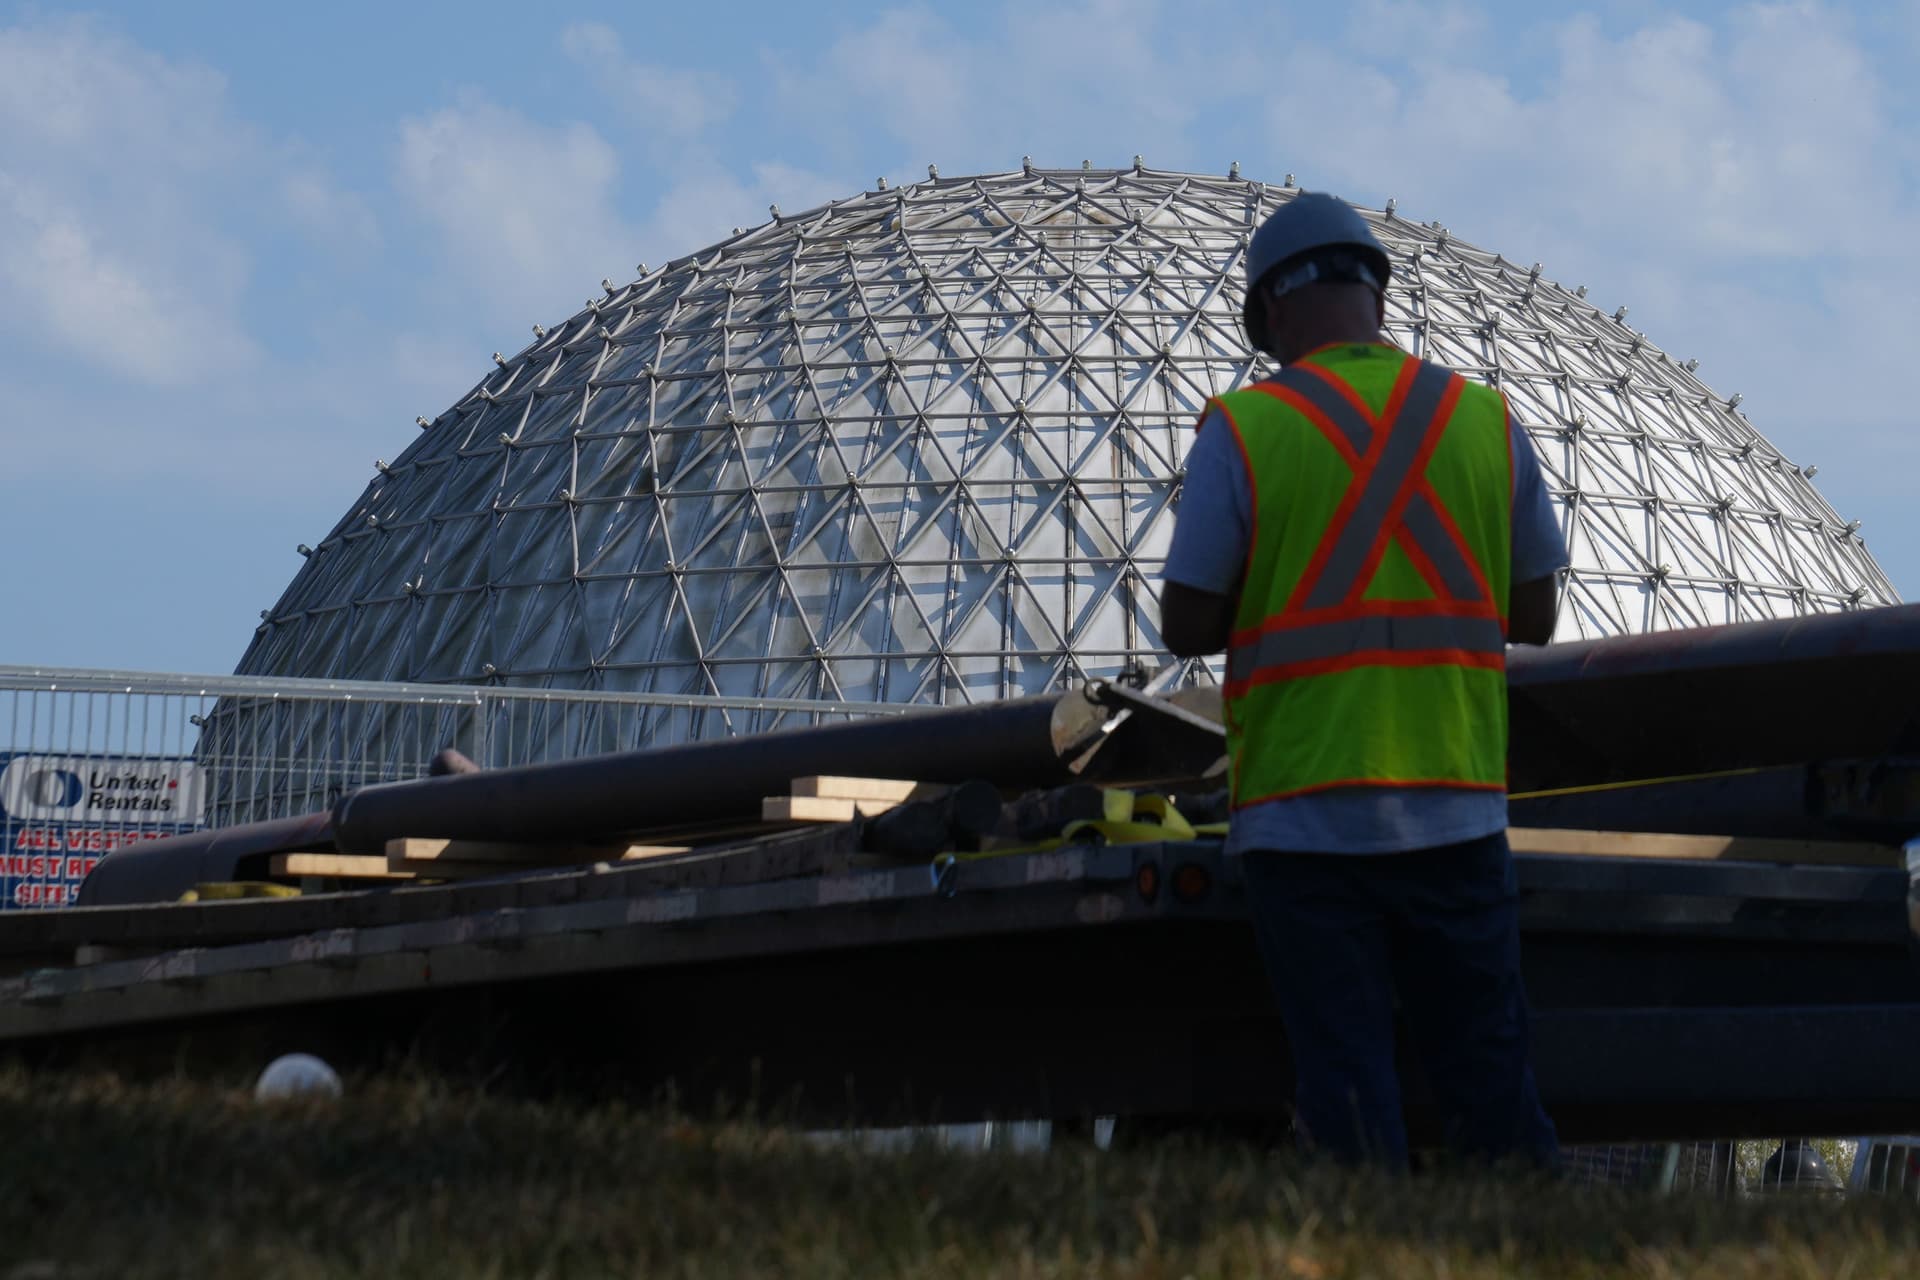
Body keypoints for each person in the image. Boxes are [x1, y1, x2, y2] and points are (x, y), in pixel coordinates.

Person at [1160, 191, 1566, 1170]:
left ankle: (1363, 1244)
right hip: (1455, 802)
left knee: (1345, 1081)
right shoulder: (1481, 417)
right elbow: (1538, 614)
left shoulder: (1249, 426)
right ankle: (1534, 1242)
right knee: (1487, 1071)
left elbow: (1187, 618)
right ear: (1376, 296)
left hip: (1305, 807)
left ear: (1274, 314)